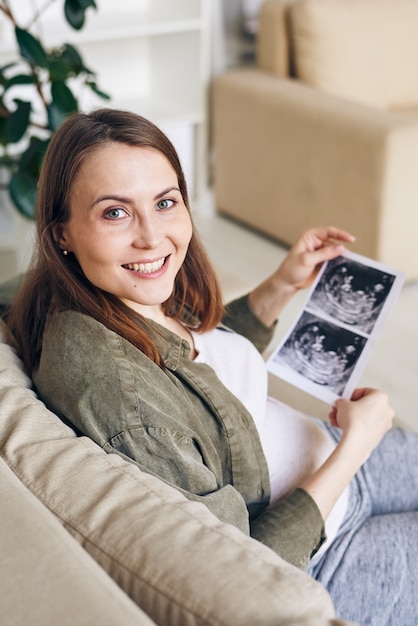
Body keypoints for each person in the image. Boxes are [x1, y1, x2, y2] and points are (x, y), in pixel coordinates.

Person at [7, 108, 418, 626]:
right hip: (327, 545)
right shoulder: (118, 393)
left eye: (165, 202)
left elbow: (202, 372)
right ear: (62, 232)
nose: (152, 237)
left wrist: (279, 287)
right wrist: (355, 448)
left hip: (327, 455)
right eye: (115, 212)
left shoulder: (114, 295)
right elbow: (244, 560)